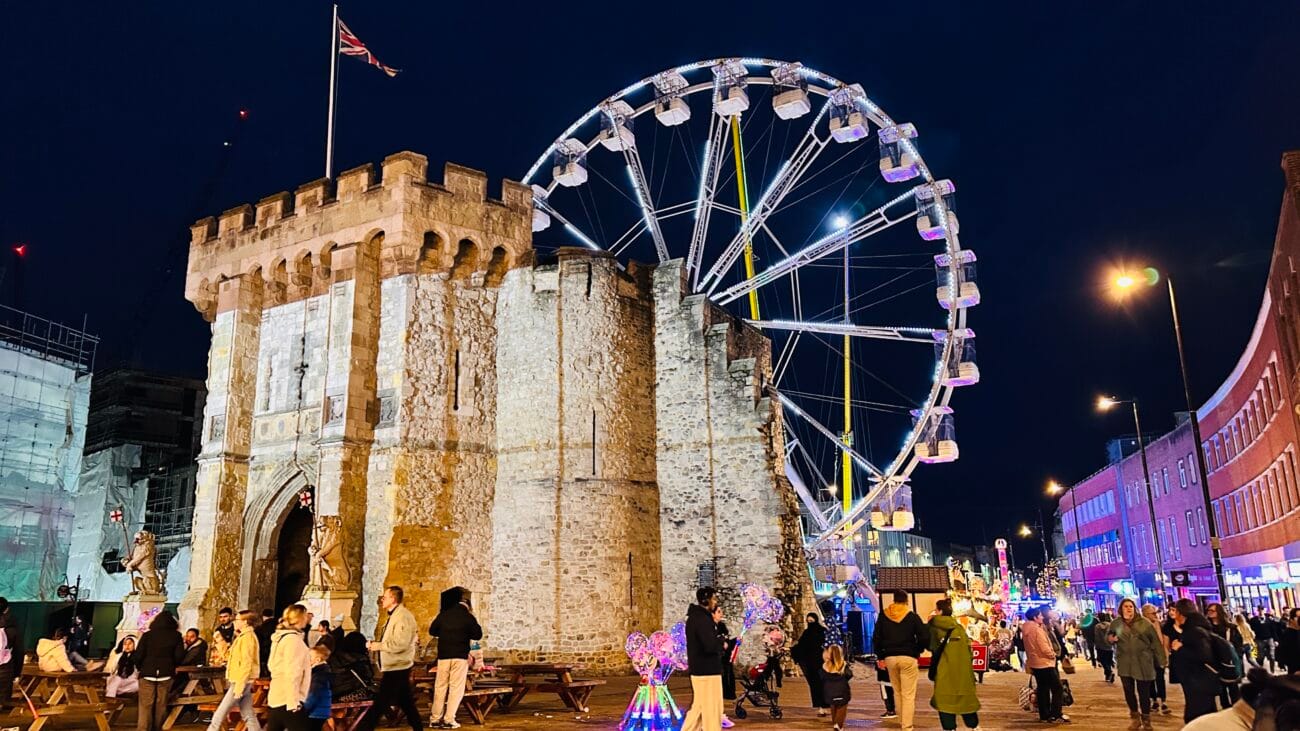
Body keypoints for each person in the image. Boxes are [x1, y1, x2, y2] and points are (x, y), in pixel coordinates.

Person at [357, 586, 424, 731]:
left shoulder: (403, 617)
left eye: (385, 597)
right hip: (394, 665)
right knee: (406, 702)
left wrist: (377, 646)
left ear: (393, 599)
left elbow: (400, 644)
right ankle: (418, 728)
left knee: (381, 702)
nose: (382, 599)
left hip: (398, 665)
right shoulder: (394, 616)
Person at [872, 590, 928, 731]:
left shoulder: (883, 616)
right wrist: (917, 651)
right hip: (908, 657)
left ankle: (902, 720)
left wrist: (880, 656)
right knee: (908, 694)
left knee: (897, 691)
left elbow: (876, 638)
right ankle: (907, 726)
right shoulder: (912, 617)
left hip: (890, 658)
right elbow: (924, 638)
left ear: (894, 600)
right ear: (906, 600)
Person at [428, 588, 483, 729]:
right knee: (455, 689)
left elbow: (432, 631)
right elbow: (477, 635)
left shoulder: (444, 615)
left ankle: (435, 719)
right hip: (459, 656)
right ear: (468, 606)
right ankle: (449, 719)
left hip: (443, 656)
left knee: (440, 687)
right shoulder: (468, 617)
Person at [928, 598, 982, 731]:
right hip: (963, 671)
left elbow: (931, 647)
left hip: (944, 671)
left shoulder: (933, 628)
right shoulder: (959, 628)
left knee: (945, 701)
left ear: (939, 611)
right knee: (966, 700)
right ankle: (973, 726)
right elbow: (968, 651)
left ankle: (949, 727)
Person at [207, 610, 263, 731]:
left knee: (220, 713)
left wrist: (239, 685)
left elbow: (246, 663)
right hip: (241, 679)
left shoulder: (247, 638)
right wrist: (220, 641)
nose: (235, 622)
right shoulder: (242, 637)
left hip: (240, 680)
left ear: (245, 622)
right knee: (248, 714)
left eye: (237, 620)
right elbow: (228, 656)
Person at [1108, 598, 1158, 731]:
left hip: (1143, 662)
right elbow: (1108, 638)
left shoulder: (1144, 623)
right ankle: (1135, 718)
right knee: (1129, 691)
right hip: (1125, 662)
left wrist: (1161, 661)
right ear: (1121, 609)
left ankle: (1146, 720)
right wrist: (1111, 639)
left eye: (1131, 606)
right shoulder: (1116, 623)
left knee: (1144, 693)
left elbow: (1155, 643)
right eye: (1126, 606)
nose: (1128, 608)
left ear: (1135, 608)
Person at [1170, 598, 1220, 723]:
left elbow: (1203, 655)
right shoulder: (1195, 628)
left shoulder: (1195, 630)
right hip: (1198, 680)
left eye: (1176, 612)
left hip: (1198, 681)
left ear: (1181, 614)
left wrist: (1179, 649)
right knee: (1205, 716)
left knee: (1197, 716)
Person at [681, 587, 723, 731]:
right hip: (707, 670)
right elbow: (709, 645)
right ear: (707, 600)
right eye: (714, 599)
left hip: (701, 669)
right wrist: (721, 642)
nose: (715, 602)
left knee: (700, 706)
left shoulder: (696, 618)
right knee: (711, 708)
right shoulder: (702, 619)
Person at [135, 610, 185, 731]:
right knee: (161, 705)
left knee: (145, 705)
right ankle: (159, 728)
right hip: (166, 673)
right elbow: (179, 656)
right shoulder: (176, 636)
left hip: (147, 672)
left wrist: (140, 667)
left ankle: (143, 728)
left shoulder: (148, 635)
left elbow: (138, 655)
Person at [267, 604, 312, 731]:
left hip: (276, 695)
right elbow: (293, 672)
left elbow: (271, 664)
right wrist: (293, 701)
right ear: (299, 618)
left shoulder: (279, 638)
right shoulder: (293, 641)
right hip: (288, 698)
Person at [1024, 607, 1069, 723]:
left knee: (1043, 688)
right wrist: (1052, 655)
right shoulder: (1037, 630)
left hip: (1035, 663)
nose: (1042, 617)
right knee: (1057, 688)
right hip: (1045, 663)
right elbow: (1044, 647)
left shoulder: (1026, 628)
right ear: (1035, 617)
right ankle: (1056, 714)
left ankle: (1044, 715)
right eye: (1040, 616)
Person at [792, 613, 828, 717]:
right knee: (815, 685)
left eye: (811, 621)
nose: (810, 623)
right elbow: (801, 645)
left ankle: (825, 705)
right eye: (808, 621)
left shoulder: (821, 631)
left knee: (823, 684)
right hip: (810, 663)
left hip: (820, 662)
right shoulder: (807, 632)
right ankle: (821, 707)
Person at [1208, 603, 1244, 707]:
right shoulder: (1207, 628)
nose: (1210, 612)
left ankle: (1237, 708)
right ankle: (1226, 708)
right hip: (1215, 661)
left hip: (1229, 661)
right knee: (1221, 690)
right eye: (1209, 610)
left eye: (1212, 610)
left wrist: (1237, 657)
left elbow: (1238, 644)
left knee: (1233, 687)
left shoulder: (1230, 628)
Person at [1140, 603, 1171, 715]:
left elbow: (1164, 641)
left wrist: (1165, 655)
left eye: (1155, 612)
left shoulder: (1159, 624)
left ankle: (1163, 701)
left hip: (1158, 656)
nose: (1155, 615)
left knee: (1160, 678)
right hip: (1146, 657)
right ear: (1145, 614)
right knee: (1150, 680)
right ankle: (1154, 700)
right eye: (1153, 613)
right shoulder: (1140, 626)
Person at [328, 631, 374, 702]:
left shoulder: (333, 658)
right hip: (353, 694)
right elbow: (369, 675)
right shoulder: (361, 659)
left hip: (333, 695)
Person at [713, 606, 736, 728]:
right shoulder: (707, 627)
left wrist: (734, 641)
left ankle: (719, 715)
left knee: (718, 691)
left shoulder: (721, 626)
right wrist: (721, 642)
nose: (721, 614)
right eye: (718, 612)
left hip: (722, 662)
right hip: (711, 665)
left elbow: (727, 643)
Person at [821, 644, 854, 731]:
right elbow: (849, 675)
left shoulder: (825, 666)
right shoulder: (843, 665)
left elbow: (822, 677)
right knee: (842, 708)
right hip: (842, 691)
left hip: (829, 692)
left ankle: (835, 722)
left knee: (833, 707)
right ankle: (839, 725)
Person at [303, 645, 333, 731]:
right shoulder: (324, 671)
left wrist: (304, 709)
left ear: (317, 660)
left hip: (315, 711)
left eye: (309, 657)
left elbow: (314, 693)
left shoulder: (318, 674)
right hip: (321, 710)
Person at [0, 597, 21, 704]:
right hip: (5, 668)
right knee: (3, 700)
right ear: (6, 609)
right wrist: (17, 673)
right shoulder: (12, 628)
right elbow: (19, 651)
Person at [1095, 612, 1116, 683]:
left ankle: (1109, 672)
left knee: (1103, 661)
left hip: (1101, 647)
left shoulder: (1097, 626)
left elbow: (1097, 637)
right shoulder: (1110, 625)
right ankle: (1108, 675)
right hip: (1109, 646)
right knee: (1108, 661)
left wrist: (1097, 646)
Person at [257, 608, 277, 676]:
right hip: (275, 655)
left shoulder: (260, 628)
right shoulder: (279, 627)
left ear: (263, 616)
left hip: (264, 656)